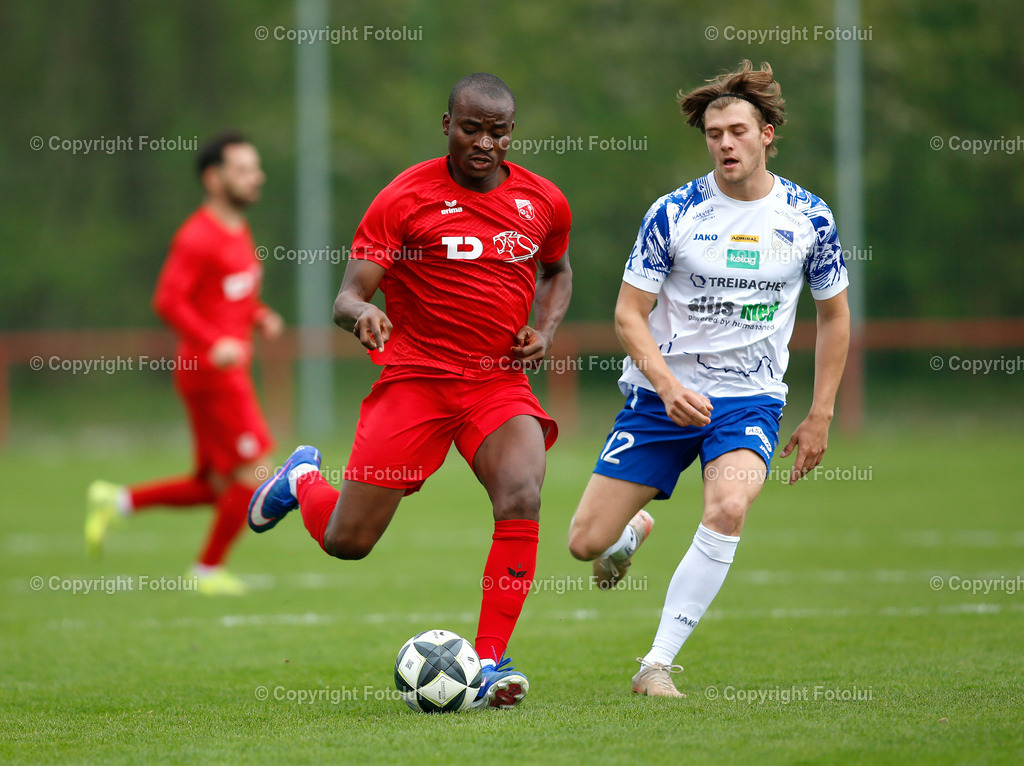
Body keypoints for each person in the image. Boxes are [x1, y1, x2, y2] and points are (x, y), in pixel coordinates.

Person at [248, 73, 572, 709]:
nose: (484, 142)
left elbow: (557, 272)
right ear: (445, 124)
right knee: (348, 543)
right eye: (470, 128)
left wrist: (547, 328)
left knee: (522, 493)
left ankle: (490, 661)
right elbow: (348, 294)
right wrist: (362, 316)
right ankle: (300, 483)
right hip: (416, 381)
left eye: (498, 131)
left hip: (496, 382)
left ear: (513, 133)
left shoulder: (544, 202)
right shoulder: (404, 197)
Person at [567, 60, 850, 696]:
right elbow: (626, 313)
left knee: (728, 507)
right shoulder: (673, 214)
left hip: (748, 398)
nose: (725, 142)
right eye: (714, 133)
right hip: (660, 398)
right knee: (585, 543)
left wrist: (821, 411)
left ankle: (655, 664)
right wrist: (667, 386)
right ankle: (632, 531)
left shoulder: (810, 218)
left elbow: (834, 318)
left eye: (738, 131)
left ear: (768, 132)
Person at [85, 131, 282, 596]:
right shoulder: (196, 236)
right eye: (243, 170)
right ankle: (207, 571)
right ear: (213, 179)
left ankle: (118, 501)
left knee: (217, 485)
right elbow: (168, 300)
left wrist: (258, 315)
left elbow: (226, 295)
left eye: (256, 169)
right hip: (211, 374)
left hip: (222, 371)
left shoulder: (238, 228)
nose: (257, 178)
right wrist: (214, 342)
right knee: (258, 475)